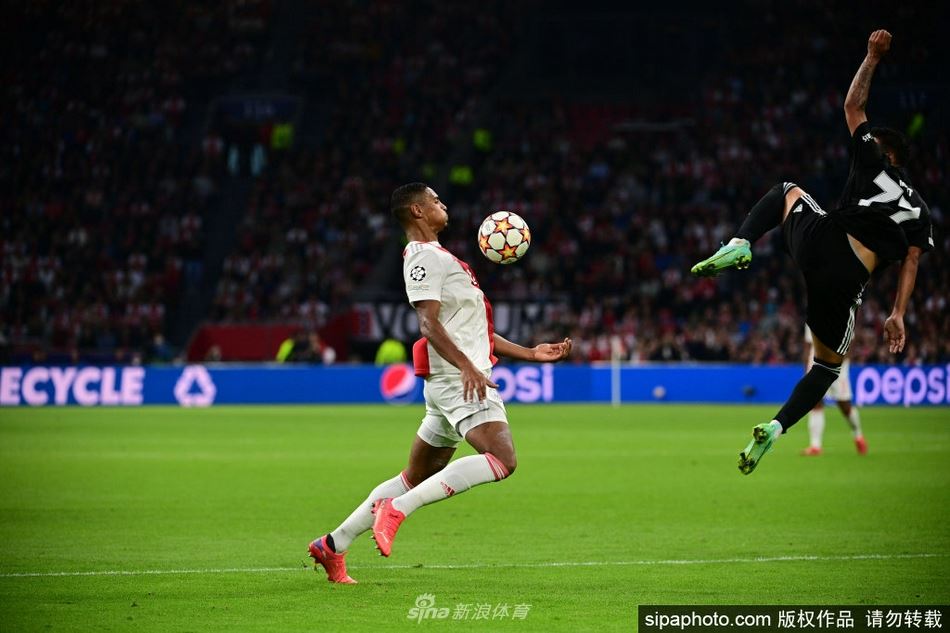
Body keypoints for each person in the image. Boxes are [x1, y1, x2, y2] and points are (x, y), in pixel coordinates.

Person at [691, 30, 933, 474]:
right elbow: (912, 260)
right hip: (846, 283)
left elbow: (853, 105)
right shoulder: (921, 211)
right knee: (825, 368)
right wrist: (898, 313)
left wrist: (872, 56)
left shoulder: (873, 159)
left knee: (786, 190)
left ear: (888, 154)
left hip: (821, 242)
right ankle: (776, 426)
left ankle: (740, 243)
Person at [308, 183, 572, 583]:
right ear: (417, 211)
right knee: (502, 459)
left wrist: (530, 353)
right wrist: (467, 366)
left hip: (448, 379)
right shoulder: (424, 258)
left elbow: (474, 330)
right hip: (457, 377)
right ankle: (398, 510)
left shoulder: (439, 257)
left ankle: (333, 544)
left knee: (412, 477)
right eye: (435, 200)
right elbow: (428, 324)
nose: (442, 204)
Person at [800, 325, 867, 456]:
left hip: (838, 365)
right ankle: (815, 446)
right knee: (815, 403)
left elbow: (850, 342)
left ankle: (858, 435)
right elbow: (808, 344)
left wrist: (842, 362)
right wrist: (806, 370)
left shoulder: (842, 313)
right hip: (816, 364)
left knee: (845, 407)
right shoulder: (812, 316)